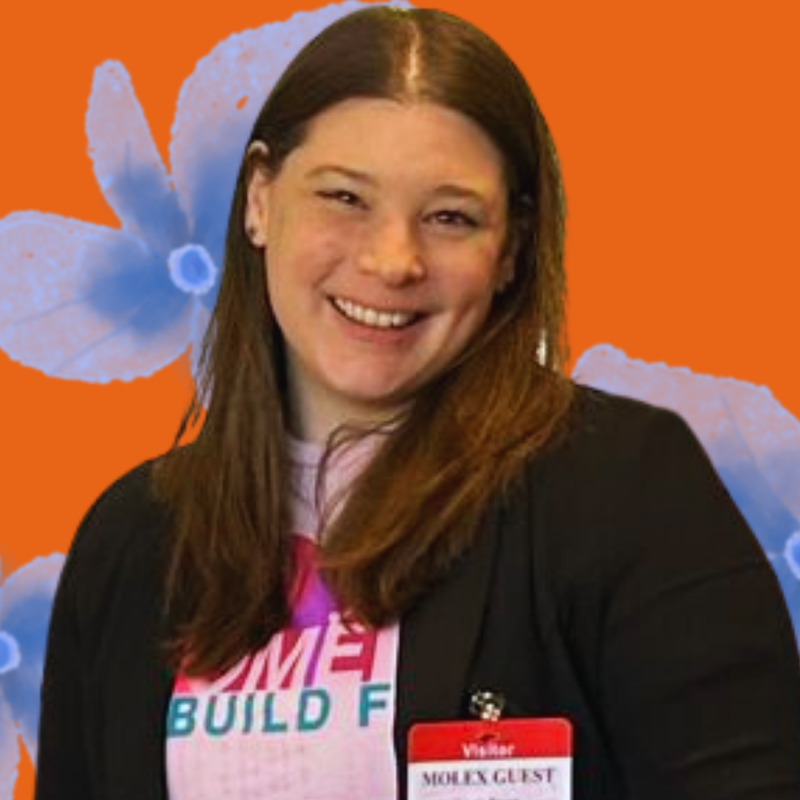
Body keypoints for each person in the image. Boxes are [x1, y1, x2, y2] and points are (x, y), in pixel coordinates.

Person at [35, 6, 800, 800]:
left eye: (449, 217)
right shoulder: (131, 539)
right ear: (260, 199)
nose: (393, 259)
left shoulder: (626, 489)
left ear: (509, 249)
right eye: (344, 198)